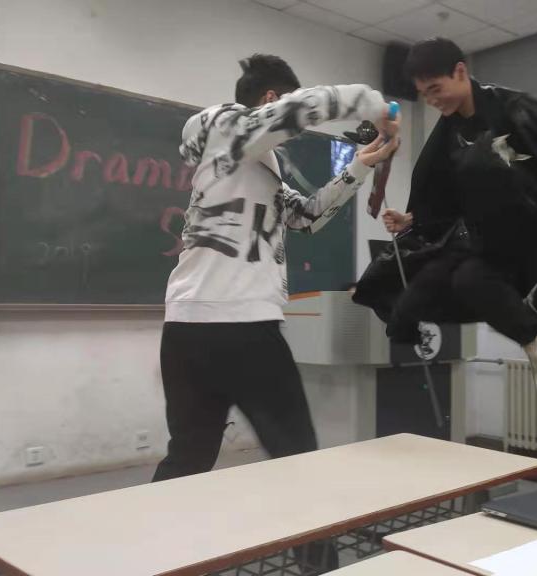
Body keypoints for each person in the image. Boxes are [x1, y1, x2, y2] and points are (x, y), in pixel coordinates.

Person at [153, 54, 399, 570]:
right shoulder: (226, 125)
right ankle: (320, 566)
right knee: (296, 459)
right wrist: (373, 103)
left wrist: (360, 165)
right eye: (285, 103)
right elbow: (300, 110)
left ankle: (150, 558)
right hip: (241, 328)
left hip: (188, 330)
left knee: (189, 457)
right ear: (270, 99)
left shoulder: (254, 162)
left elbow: (306, 216)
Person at [352, 38, 537, 391]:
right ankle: (525, 332)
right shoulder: (450, 129)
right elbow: (444, 190)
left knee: (469, 279)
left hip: (517, 242)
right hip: (474, 241)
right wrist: (412, 219)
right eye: (424, 94)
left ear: (460, 72)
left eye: (435, 89)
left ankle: (535, 332)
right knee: (405, 306)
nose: (432, 100)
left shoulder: (512, 108)